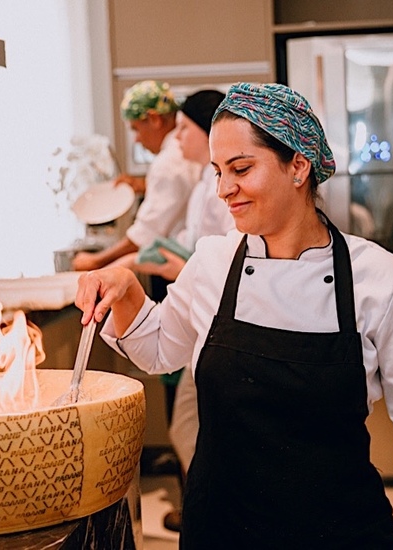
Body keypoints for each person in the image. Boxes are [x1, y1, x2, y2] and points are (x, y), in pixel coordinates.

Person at [75, 82, 393, 549]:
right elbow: (160, 350)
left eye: (240, 169)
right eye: (219, 171)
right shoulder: (213, 261)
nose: (223, 189)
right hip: (220, 530)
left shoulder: (381, 281)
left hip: (340, 533)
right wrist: (126, 292)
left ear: (298, 165)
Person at [131, 89, 234, 533]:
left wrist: (180, 267)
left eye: (184, 129)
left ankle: (209, 515)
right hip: (199, 310)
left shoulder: (216, 189)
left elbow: (228, 257)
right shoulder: (203, 185)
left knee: (191, 425)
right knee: (190, 426)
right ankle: (206, 513)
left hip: (214, 315)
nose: (177, 138)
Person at [72, 80, 200, 287]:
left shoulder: (169, 161)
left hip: (182, 269)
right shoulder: (180, 156)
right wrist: (143, 184)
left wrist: (95, 260)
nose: (136, 140)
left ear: (154, 119)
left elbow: (146, 234)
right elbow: (183, 188)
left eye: (136, 129)